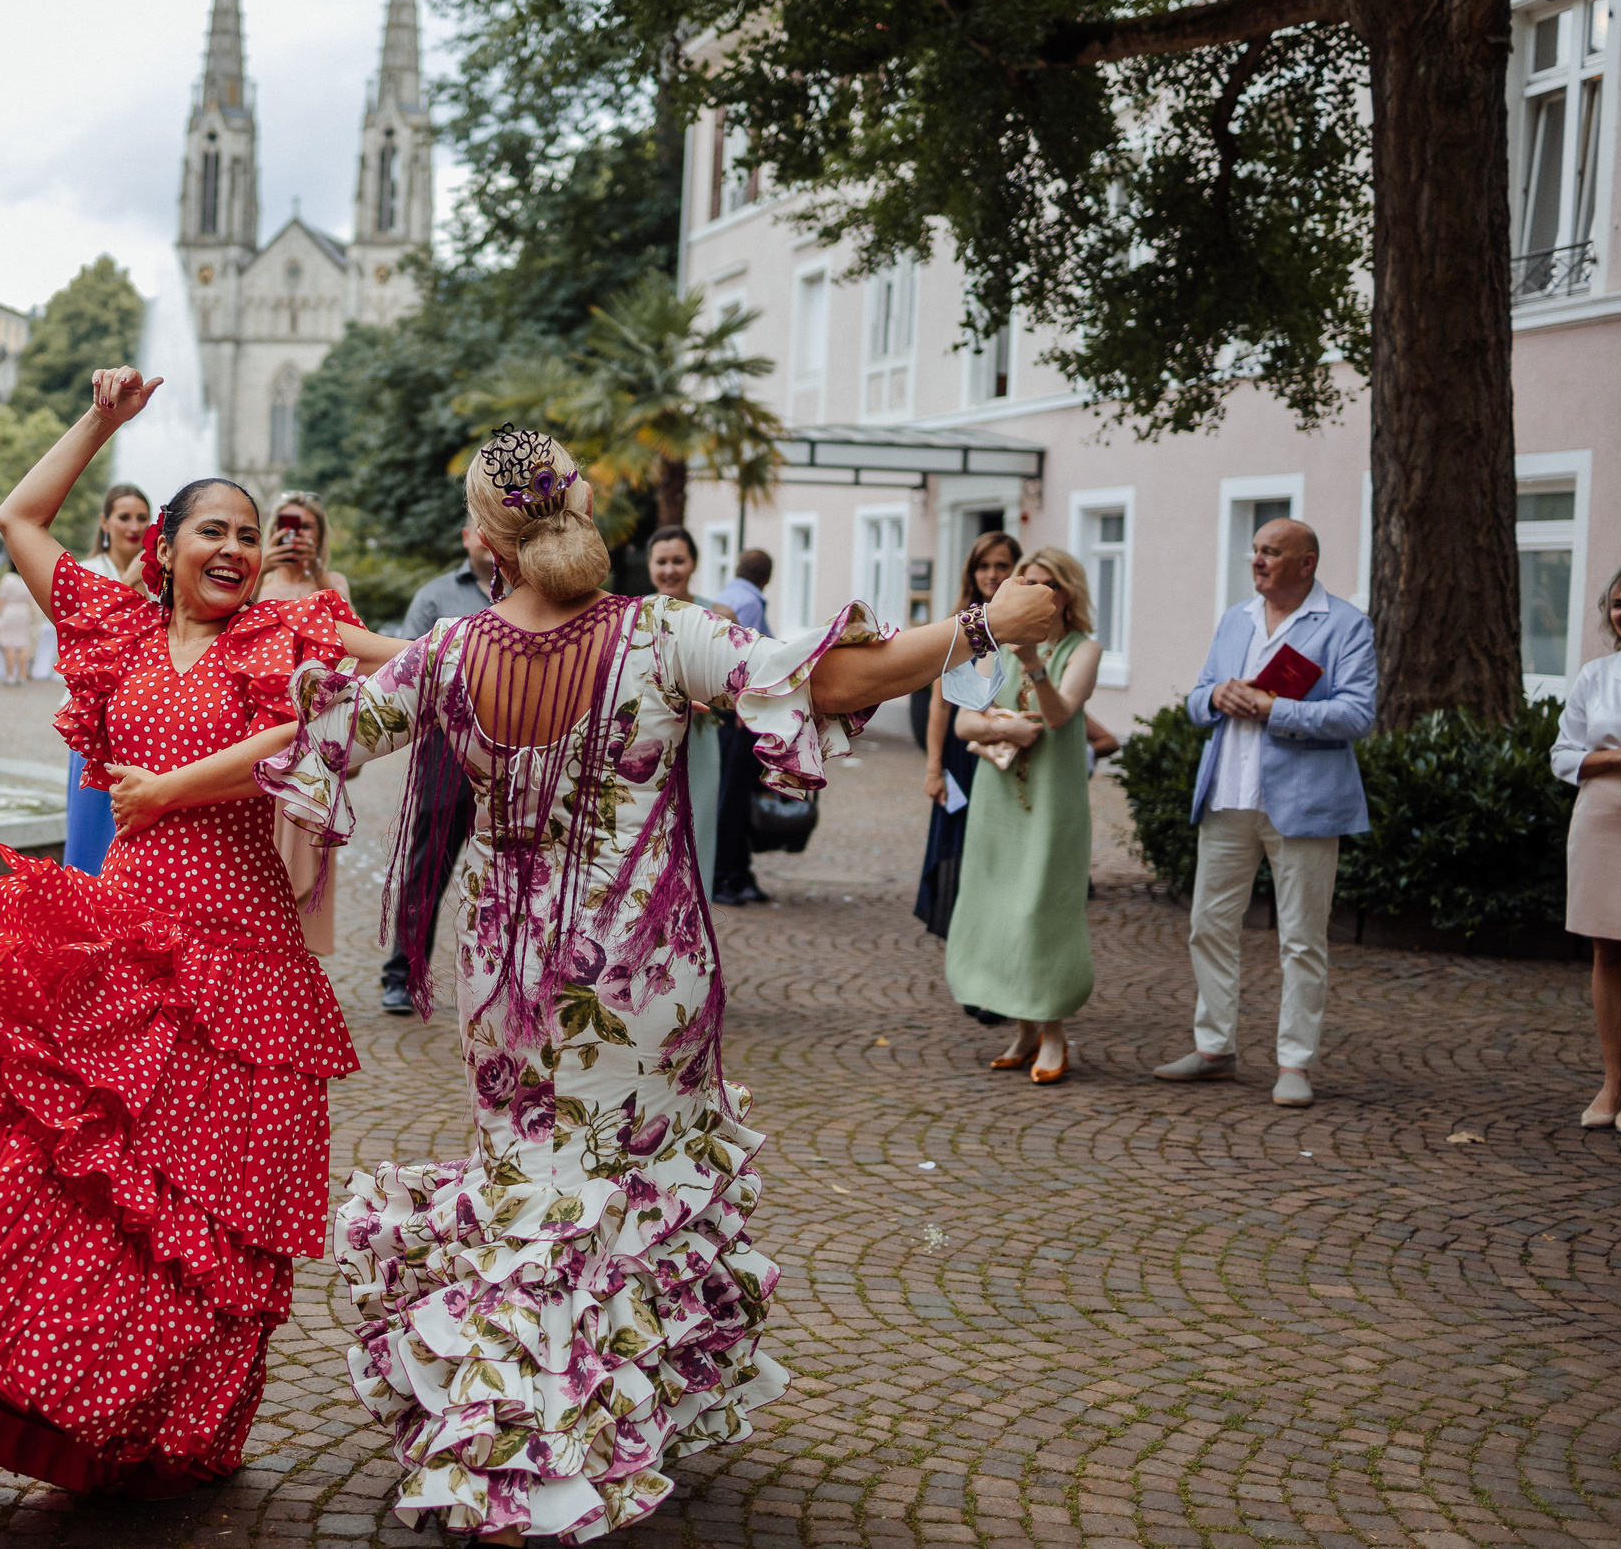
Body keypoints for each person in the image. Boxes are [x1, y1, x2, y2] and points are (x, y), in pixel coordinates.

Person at [248, 425, 1057, 1543]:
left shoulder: (445, 657)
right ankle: (545, 1439)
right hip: (641, 982)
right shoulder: (661, 635)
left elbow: (310, 742)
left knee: (536, 1184)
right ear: (580, 517)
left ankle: (546, 1416)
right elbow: (831, 679)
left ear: (484, 540)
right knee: (626, 1191)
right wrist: (987, 623)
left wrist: (174, 750)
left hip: (502, 978)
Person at [0, 366, 407, 1494]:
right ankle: (68, 1393)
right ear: (161, 547)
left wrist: (176, 784)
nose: (235, 548)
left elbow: (403, 674)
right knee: (80, 1172)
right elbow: (19, 516)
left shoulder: (289, 628)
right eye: (212, 528)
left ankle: (184, 1419)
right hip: (126, 936)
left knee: (215, 1211)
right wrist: (103, 420)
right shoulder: (110, 621)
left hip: (245, 952)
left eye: (250, 536)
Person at [1154, 517, 1376, 1108]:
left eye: (1271, 552)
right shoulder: (1236, 619)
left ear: (1306, 563)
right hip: (1228, 795)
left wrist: (1275, 708)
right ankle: (1214, 1048)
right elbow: (1198, 697)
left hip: (1302, 806)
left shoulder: (1346, 625)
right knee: (1209, 925)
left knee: (1302, 939)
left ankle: (1295, 1063)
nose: (1257, 561)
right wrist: (1215, 698)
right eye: (1255, 550)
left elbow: (1358, 715)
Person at [944, 548, 1103, 1081]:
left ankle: (1054, 1032)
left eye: (1046, 582)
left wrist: (1033, 662)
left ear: (1067, 593)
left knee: (1043, 910)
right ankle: (1024, 1030)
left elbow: (1060, 714)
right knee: (1000, 908)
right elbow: (964, 723)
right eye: (1027, 582)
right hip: (997, 796)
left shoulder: (1084, 649)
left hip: (1055, 800)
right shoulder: (993, 650)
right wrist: (1001, 729)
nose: (1035, 590)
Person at [375, 523, 494, 1015]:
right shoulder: (436, 596)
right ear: (465, 536)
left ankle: (512, 982)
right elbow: (402, 672)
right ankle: (403, 974)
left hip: (521, 752)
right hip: (447, 747)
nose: (490, 540)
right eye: (481, 532)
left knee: (518, 871)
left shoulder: (537, 595)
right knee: (429, 864)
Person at [914, 532, 1022, 974]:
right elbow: (940, 704)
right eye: (984, 566)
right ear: (972, 573)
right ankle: (967, 953)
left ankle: (1001, 951)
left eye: (1001, 566)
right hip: (962, 756)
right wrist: (933, 768)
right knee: (958, 849)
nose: (992, 575)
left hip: (1012, 755)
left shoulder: (1025, 623)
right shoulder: (961, 625)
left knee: (1002, 854)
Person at [256, 491, 359, 950]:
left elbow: (349, 647)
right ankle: (262, 940)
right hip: (262, 726)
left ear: (319, 534)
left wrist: (317, 574)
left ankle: (302, 948)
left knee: (309, 833)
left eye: (306, 527)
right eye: (285, 524)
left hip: (314, 726)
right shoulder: (257, 580)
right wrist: (260, 566)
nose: (295, 534)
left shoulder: (332, 580)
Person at [1556, 563, 1621, 1129]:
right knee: (1608, 953)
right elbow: (1563, 755)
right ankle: (1613, 1081)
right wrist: (1613, 758)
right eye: (1619, 604)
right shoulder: (1596, 675)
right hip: (1604, 818)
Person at [62, 483, 151, 875]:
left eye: (142, 518)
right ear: (105, 522)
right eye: (124, 517)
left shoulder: (163, 579)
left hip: (145, 717)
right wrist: (130, 581)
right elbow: (86, 639)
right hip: (96, 719)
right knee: (90, 831)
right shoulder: (89, 572)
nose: (133, 526)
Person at [645, 526, 726, 897]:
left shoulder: (718, 614)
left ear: (693, 563)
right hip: (648, 742)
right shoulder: (636, 614)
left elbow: (736, 685)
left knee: (697, 829)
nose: (670, 570)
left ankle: (694, 916)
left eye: (679, 560)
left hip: (700, 740)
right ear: (650, 566)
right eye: (661, 561)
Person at [710, 547, 779, 906]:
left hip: (730, 715)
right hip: (742, 718)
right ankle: (725, 875)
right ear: (766, 576)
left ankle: (737, 872)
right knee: (733, 800)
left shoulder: (724, 596)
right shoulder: (749, 604)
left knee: (731, 798)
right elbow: (744, 659)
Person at [0, 564, 36, 684]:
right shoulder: (27, 578)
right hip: (24, 611)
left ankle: (10, 675)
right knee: (23, 644)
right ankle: (22, 675)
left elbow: (2, 597)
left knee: (9, 644)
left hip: (11, 610)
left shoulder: (8, 578)